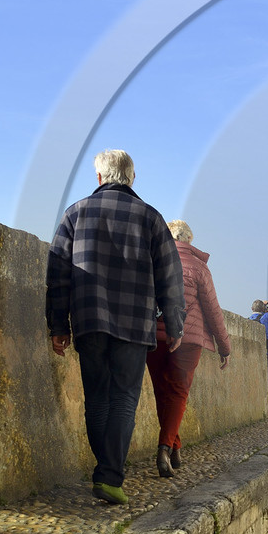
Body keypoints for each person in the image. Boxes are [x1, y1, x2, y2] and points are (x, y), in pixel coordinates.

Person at [46, 149, 184, 506]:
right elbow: (170, 277)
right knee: (123, 399)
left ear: (99, 178)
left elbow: (58, 273)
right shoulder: (151, 218)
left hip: (89, 319)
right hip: (135, 322)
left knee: (97, 399)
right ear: (132, 178)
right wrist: (174, 324)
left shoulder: (75, 214)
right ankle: (109, 475)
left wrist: (58, 324)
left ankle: (106, 472)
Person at [146, 220, 230, 479]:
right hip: (190, 339)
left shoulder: (153, 261)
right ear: (189, 240)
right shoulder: (198, 267)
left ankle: (174, 447)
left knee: (163, 393)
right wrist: (224, 347)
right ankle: (164, 449)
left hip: (155, 336)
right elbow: (213, 310)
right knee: (178, 394)